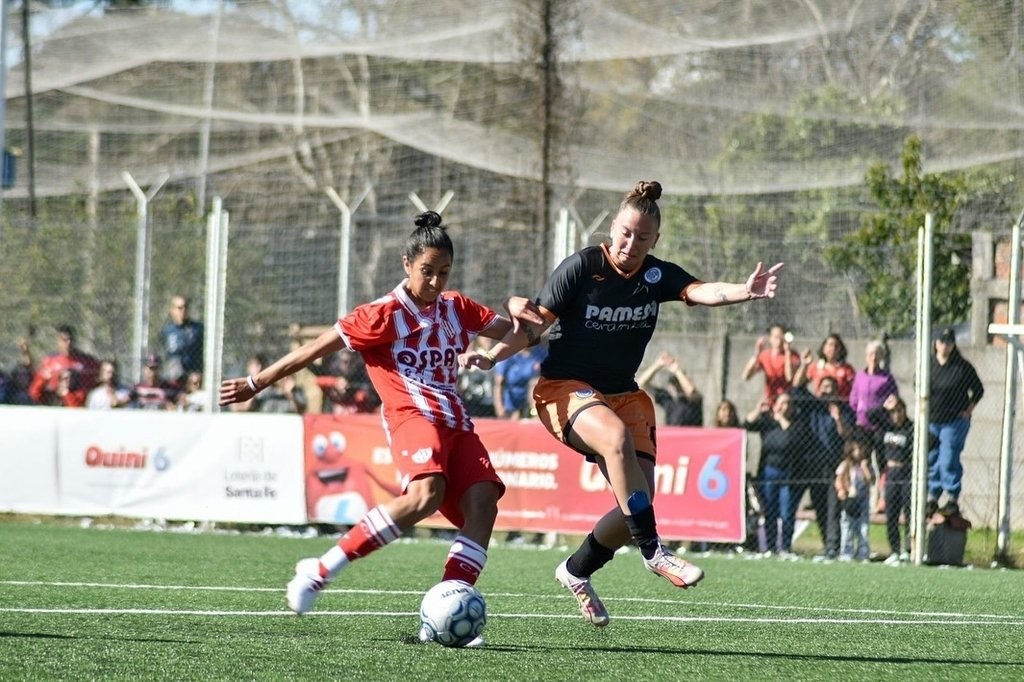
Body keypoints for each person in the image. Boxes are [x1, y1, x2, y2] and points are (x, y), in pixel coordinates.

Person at [459, 180, 783, 628]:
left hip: (624, 394)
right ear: (612, 227)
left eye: (642, 238)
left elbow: (702, 291)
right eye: (626, 233)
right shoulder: (581, 267)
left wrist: (746, 289)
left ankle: (576, 570)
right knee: (614, 439)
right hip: (564, 389)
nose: (631, 244)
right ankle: (655, 552)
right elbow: (532, 327)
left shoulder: (656, 275)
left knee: (638, 500)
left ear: (655, 240)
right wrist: (492, 356)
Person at [219, 211, 543, 644]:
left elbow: (529, 335)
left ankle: (444, 609)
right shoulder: (381, 315)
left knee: (484, 505)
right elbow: (313, 349)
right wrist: (256, 382)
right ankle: (319, 571)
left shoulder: (457, 307)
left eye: (444, 272)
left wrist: (511, 311)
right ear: (406, 264)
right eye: (427, 271)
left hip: (456, 422)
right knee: (425, 495)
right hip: (412, 417)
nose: (435, 282)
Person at [743, 391, 811, 559]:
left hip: (789, 474)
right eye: (780, 403)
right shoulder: (768, 423)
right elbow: (746, 424)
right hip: (768, 472)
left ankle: (786, 547)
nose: (783, 406)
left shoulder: (798, 424)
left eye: (787, 403)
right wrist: (758, 410)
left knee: (787, 512)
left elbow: (792, 440)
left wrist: (781, 419)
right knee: (770, 512)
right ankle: (771, 546)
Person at [793, 376, 853, 561]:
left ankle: (833, 547)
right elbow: (797, 388)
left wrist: (838, 418)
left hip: (835, 466)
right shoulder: (813, 407)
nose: (828, 390)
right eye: (824, 387)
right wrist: (805, 366)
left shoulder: (844, 410)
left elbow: (847, 435)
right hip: (815, 466)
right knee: (820, 508)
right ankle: (827, 544)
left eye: (831, 387)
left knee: (833, 508)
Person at [926, 327, 984, 517]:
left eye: (949, 343)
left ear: (953, 345)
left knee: (948, 458)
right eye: (942, 342)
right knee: (932, 458)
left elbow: (978, 389)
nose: (945, 346)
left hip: (954, 422)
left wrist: (968, 410)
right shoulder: (929, 365)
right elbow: (918, 384)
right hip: (933, 421)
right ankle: (932, 497)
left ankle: (952, 497)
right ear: (936, 343)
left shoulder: (962, 367)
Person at [868, 395, 915, 564]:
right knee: (891, 513)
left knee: (909, 512)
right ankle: (894, 550)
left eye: (899, 411)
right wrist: (884, 406)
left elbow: (930, 440)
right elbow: (869, 416)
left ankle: (908, 550)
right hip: (891, 473)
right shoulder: (886, 427)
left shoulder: (910, 428)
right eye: (893, 412)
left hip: (906, 473)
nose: (896, 415)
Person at [28, 325, 101, 407]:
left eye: (71, 340)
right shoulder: (49, 361)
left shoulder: (86, 360)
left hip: (77, 400)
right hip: (54, 400)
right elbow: (34, 392)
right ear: (58, 341)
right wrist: (43, 379)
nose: (68, 343)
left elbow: (94, 380)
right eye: (64, 340)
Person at [636, 351, 703, 426]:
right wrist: (657, 365)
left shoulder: (694, 399)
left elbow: (690, 390)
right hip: (671, 432)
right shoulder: (668, 399)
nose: (673, 388)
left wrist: (676, 370)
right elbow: (641, 384)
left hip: (691, 433)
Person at [834, 437, 875, 561]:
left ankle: (863, 553)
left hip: (863, 501)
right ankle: (847, 552)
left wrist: (865, 468)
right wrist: (841, 490)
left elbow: (872, 481)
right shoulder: (845, 465)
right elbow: (838, 480)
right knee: (847, 527)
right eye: (856, 449)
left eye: (860, 449)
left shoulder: (866, 465)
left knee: (863, 528)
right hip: (850, 501)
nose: (859, 452)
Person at [742, 324, 800, 407]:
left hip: (787, 401)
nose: (779, 341)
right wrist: (756, 354)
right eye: (776, 337)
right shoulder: (765, 355)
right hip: (770, 399)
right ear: (770, 338)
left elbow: (789, 377)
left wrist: (787, 352)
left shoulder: (792, 355)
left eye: (781, 338)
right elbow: (746, 376)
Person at [848, 339, 899, 432]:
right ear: (866, 356)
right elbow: (853, 399)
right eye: (871, 354)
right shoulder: (859, 376)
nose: (874, 358)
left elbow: (893, 398)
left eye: (877, 354)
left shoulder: (887, 378)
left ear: (881, 357)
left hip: (879, 424)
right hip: (860, 423)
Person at [793, 333, 855, 400]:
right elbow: (797, 384)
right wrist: (804, 364)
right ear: (824, 348)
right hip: (820, 403)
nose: (833, 348)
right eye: (830, 345)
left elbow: (855, 386)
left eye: (836, 346)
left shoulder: (847, 368)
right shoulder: (816, 366)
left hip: (840, 402)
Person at [159, 295, 204, 383]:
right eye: (179, 308)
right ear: (172, 310)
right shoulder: (168, 331)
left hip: (193, 373)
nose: (183, 311)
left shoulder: (197, 329)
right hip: (173, 373)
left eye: (185, 307)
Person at [493, 345, 545, 419]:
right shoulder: (509, 356)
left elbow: (540, 380)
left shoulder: (540, 353)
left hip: (531, 401)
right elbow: (499, 383)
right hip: (510, 403)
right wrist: (499, 406)